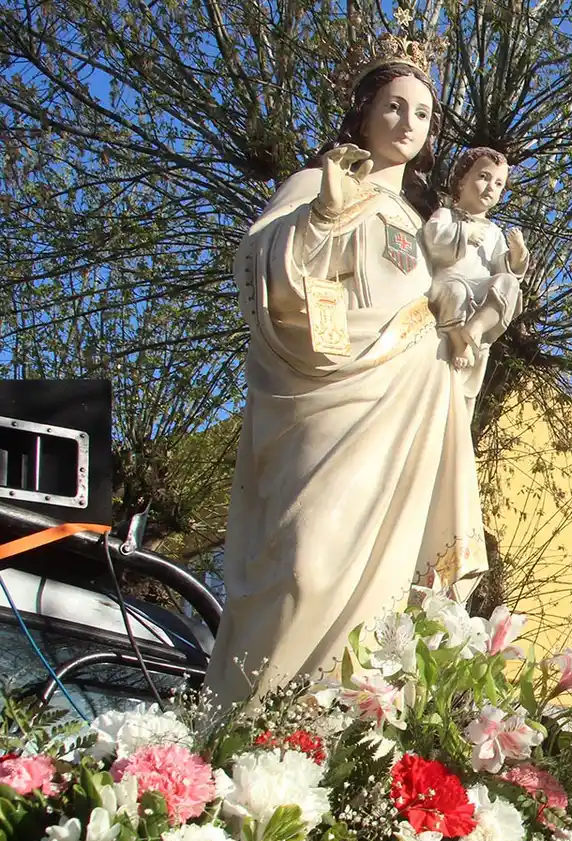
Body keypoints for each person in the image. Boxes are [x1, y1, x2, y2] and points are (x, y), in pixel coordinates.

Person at [204, 37, 490, 704]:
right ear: (363, 113)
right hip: (327, 397)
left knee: (395, 586)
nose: (407, 124)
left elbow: (453, 318)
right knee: (305, 561)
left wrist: (473, 321)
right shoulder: (318, 182)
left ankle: (357, 729)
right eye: (393, 107)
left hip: (414, 407)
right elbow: (259, 270)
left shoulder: (431, 224)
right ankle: (260, 727)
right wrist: (321, 219)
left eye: (422, 114)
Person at [423, 146, 527, 369]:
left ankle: (477, 326)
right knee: (457, 292)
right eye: (483, 177)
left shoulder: (494, 232)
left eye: (498, 184)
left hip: (479, 291)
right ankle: (459, 342)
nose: (491, 187)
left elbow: (501, 269)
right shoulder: (447, 214)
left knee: (509, 284)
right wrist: (464, 232)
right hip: (448, 284)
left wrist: (517, 256)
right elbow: (433, 239)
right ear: (462, 181)